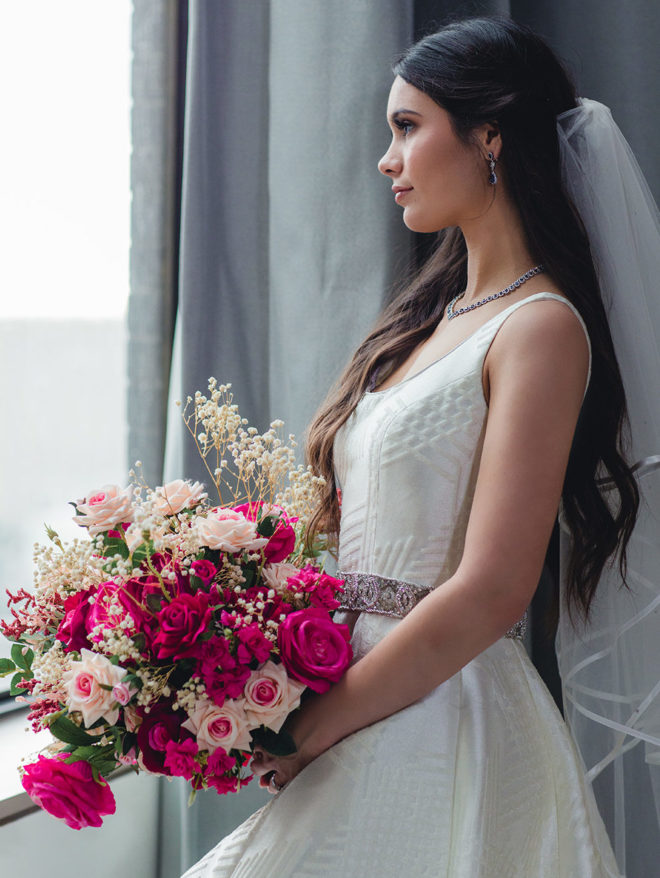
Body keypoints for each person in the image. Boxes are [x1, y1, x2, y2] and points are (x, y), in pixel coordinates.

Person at [182, 16, 657, 877]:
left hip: (446, 715)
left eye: (407, 127)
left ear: (489, 136)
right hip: (364, 692)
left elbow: (491, 588)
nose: (385, 160)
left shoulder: (539, 326)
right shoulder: (429, 321)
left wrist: (317, 727)